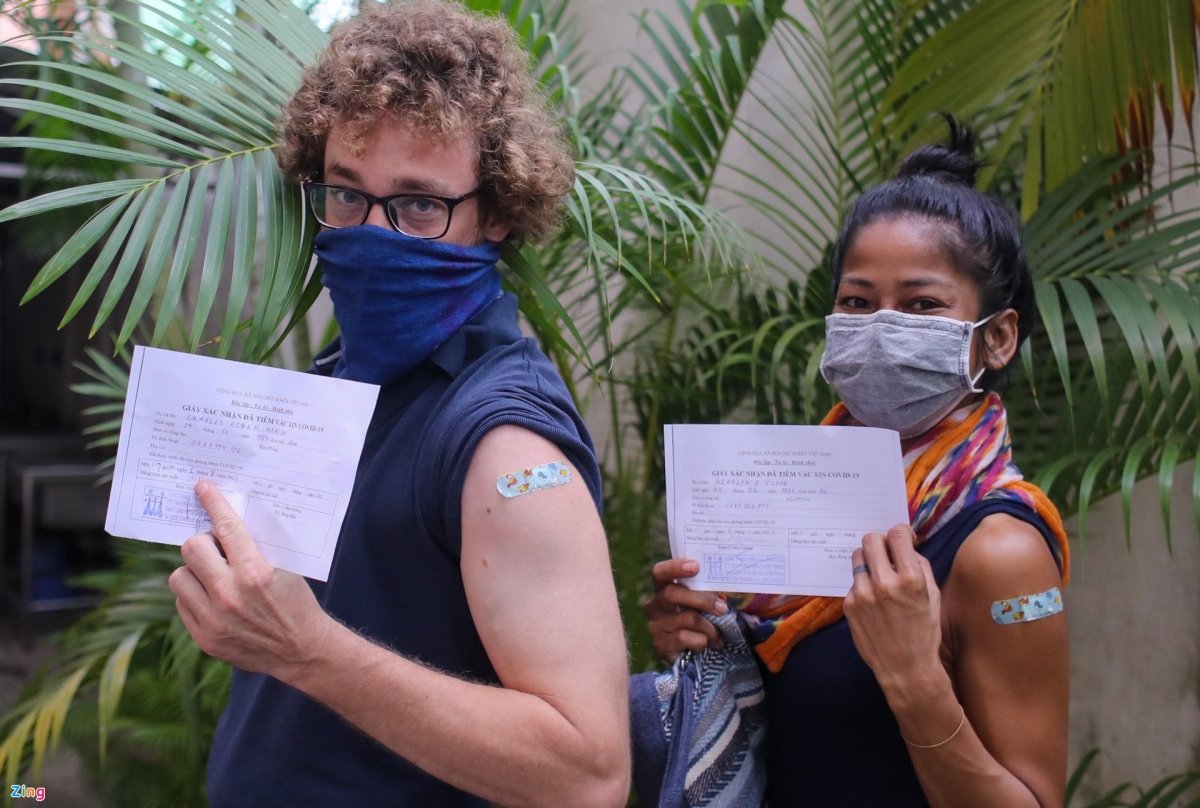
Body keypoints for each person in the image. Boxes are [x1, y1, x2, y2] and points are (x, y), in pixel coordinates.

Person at [166, 2, 630, 806]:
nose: (372, 233)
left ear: (496, 211)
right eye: (347, 195)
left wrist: (309, 651)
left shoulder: (508, 447)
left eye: (419, 205)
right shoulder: (347, 372)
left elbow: (588, 775)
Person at [643, 121, 1070, 807]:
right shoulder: (794, 503)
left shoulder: (1001, 551)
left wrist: (912, 677)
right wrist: (703, 636)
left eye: (922, 304)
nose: (879, 328)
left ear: (997, 338)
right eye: (857, 303)